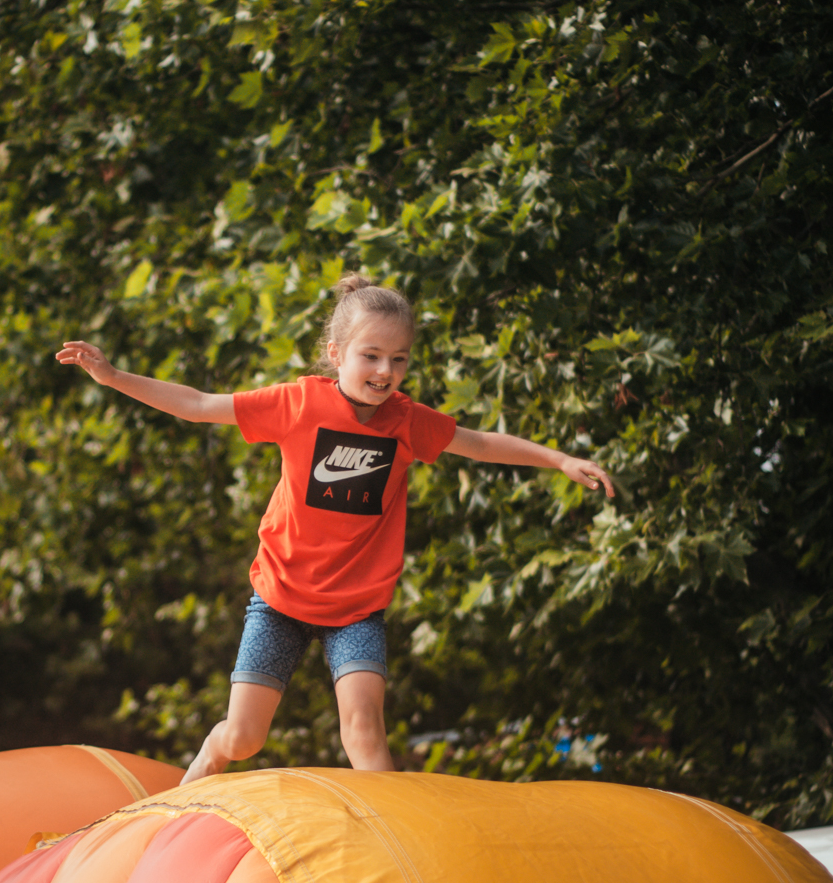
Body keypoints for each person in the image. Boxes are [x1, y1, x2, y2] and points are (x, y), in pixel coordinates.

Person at [56, 274, 614, 782]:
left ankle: (395, 846)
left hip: (356, 608)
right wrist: (113, 377)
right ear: (336, 353)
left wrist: (560, 459)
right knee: (245, 738)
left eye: (399, 359)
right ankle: (207, 759)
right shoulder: (299, 403)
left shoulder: (406, 422)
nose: (385, 371)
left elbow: (481, 444)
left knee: (365, 736)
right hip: (281, 597)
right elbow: (200, 404)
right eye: (371, 356)